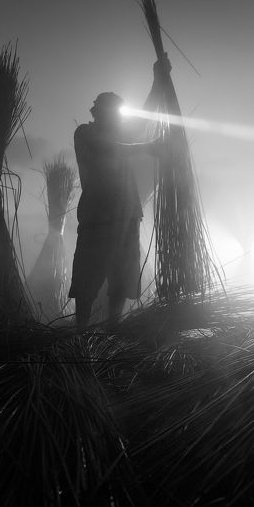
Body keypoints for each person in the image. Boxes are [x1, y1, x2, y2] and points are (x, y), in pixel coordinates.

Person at [68, 56, 170, 328]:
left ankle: (114, 331)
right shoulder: (85, 135)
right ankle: (81, 334)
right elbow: (110, 148)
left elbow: (144, 119)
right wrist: (148, 146)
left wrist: (157, 81)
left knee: (121, 280)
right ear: (97, 113)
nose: (115, 117)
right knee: (88, 279)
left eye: (118, 112)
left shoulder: (123, 135)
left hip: (126, 218)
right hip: (96, 218)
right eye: (111, 111)